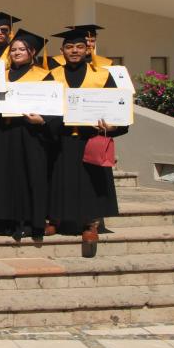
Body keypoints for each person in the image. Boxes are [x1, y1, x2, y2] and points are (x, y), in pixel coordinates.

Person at [47, 27, 128, 245]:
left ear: (87, 49)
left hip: (90, 137)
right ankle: (55, 217)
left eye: (79, 47)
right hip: (61, 137)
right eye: (69, 47)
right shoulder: (51, 75)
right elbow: (45, 105)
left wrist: (111, 126)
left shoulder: (102, 75)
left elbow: (117, 108)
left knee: (91, 182)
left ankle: (91, 223)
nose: (74, 50)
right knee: (57, 178)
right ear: (62, 50)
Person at [0, 29, 53, 240]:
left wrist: (42, 120)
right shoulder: (1, 76)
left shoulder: (44, 75)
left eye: (21, 49)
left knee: (29, 175)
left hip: (30, 133)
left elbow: (52, 105)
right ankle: (4, 221)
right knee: (4, 175)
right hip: (3, 132)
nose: (16, 52)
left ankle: (31, 222)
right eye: (13, 49)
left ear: (32, 52)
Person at [48, 24, 114, 68]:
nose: (88, 44)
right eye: (85, 41)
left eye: (92, 41)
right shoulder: (57, 62)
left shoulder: (106, 64)